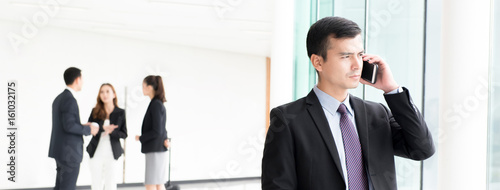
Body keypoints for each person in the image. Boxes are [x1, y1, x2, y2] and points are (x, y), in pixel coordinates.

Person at [261, 16, 435, 190]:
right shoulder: (288, 119)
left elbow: (422, 148)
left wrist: (391, 89)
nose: (357, 65)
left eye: (360, 55)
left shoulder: (377, 114)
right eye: (345, 56)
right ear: (318, 62)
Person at [48, 67, 99, 190]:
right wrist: (89, 130)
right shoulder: (69, 99)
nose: (82, 82)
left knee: (60, 187)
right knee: (67, 187)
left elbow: (66, 124)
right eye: (82, 79)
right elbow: (69, 126)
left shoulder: (59, 98)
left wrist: (82, 126)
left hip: (60, 151)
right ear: (77, 79)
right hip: (69, 153)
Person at [86, 83, 127, 190]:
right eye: (102, 92)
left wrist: (111, 132)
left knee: (111, 183)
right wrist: (103, 128)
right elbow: (88, 129)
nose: (104, 94)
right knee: (96, 183)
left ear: (114, 94)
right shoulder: (95, 111)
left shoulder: (120, 112)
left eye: (107, 91)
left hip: (113, 153)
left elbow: (124, 134)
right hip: (96, 152)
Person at [135, 75, 170, 190]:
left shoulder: (155, 104)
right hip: (157, 148)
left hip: (155, 149)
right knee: (158, 183)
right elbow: (161, 129)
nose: (142, 88)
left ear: (150, 87)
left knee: (151, 183)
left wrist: (141, 138)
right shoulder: (157, 104)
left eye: (143, 86)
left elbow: (157, 130)